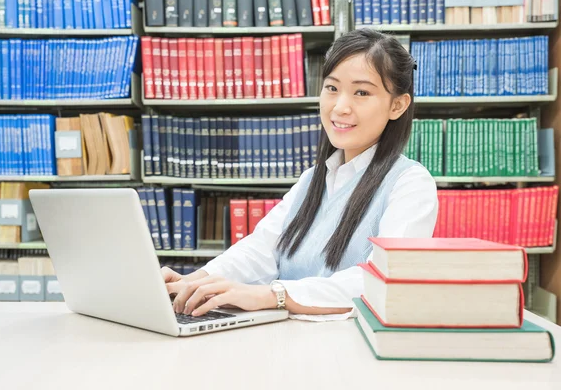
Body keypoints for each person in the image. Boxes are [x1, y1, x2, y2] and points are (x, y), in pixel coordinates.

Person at [162, 28, 439, 321]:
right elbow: (261, 250)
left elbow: (382, 280)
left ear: (397, 105)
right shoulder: (312, 180)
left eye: (361, 92)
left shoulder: (410, 184)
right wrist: (195, 281)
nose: (340, 107)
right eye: (332, 88)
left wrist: (273, 296)